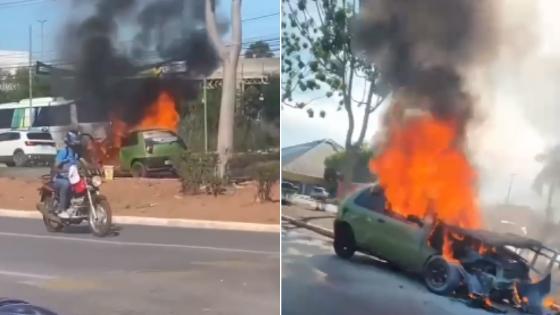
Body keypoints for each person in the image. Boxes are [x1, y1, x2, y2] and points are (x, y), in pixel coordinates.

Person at [53, 130, 81, 219]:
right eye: (74, 144)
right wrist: (62, 171)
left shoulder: (76, 154)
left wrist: (95, 167)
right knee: (66, 184)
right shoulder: (63, 152)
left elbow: (84, 164)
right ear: (69, 142)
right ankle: (62, 210)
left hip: (73, 179)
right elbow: (54, 167)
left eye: (76, 144)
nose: (75, 146)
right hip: (60, 179)